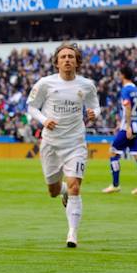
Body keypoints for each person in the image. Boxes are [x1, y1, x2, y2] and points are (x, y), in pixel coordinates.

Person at [26, 42, 100, 248]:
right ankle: (63, 189)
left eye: (71, 56)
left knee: (76, 186)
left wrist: (95, 113)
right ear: (57, 63)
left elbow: (95, 106)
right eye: (63, 57)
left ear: (77, 62)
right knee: (53, 190)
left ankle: (72, 234)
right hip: (51, 144)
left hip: (75, 143)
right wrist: (44, 120)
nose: (67, 59)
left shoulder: (86, 85)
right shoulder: (45, 83)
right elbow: (31, 107)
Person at [102, 66, 137, 195]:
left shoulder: (125, 90)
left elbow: (127, 108)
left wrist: (127, 126)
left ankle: (115, 185)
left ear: (122, 75)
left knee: (113, 152)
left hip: (129, 127)